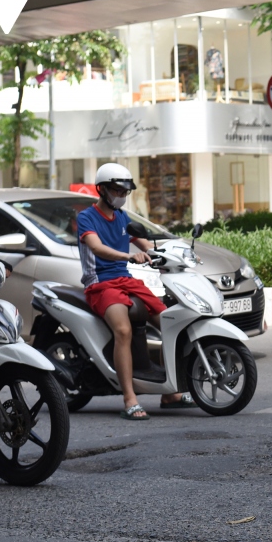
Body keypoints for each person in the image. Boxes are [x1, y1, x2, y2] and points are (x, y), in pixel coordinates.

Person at [76, 163, 191, 420]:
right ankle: (129, 397)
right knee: (123, 330)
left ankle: (169, 392)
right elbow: (97, 248)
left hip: (126, 281)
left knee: (171, 323)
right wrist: (129, 256)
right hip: (100, 284)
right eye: (118, 190)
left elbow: (147, 245)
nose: (122, 195)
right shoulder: (87, 217)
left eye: (125, 191)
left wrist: (171, 254)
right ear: (103, 190)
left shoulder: (123, 217)